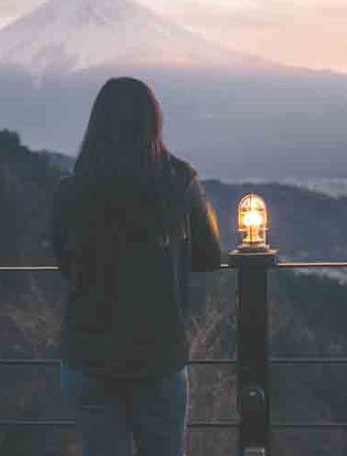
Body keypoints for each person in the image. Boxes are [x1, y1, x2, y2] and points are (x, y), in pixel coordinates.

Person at [50, 77, 221, 456]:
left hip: (88, 355)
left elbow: (65, 264)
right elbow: (209, 255)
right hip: (158, 356)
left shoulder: (71, 192)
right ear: (153, 122)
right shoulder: (177, 184)